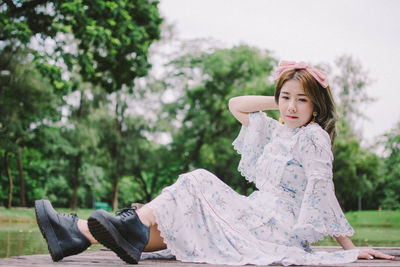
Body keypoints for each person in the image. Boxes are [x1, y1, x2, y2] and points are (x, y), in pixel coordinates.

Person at [35, 61, 395, 265]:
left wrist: (351, 252)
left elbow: (322, 192)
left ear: (315, 105)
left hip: (276, 228)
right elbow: (236, 104)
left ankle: (81, 230)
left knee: (197, 180)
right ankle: (75, 234)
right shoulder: (277, 132)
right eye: (286, 97)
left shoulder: (312, 136)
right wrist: (280, 100)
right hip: (255, 215)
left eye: (302, 100)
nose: (291, 106)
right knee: (178, 220)